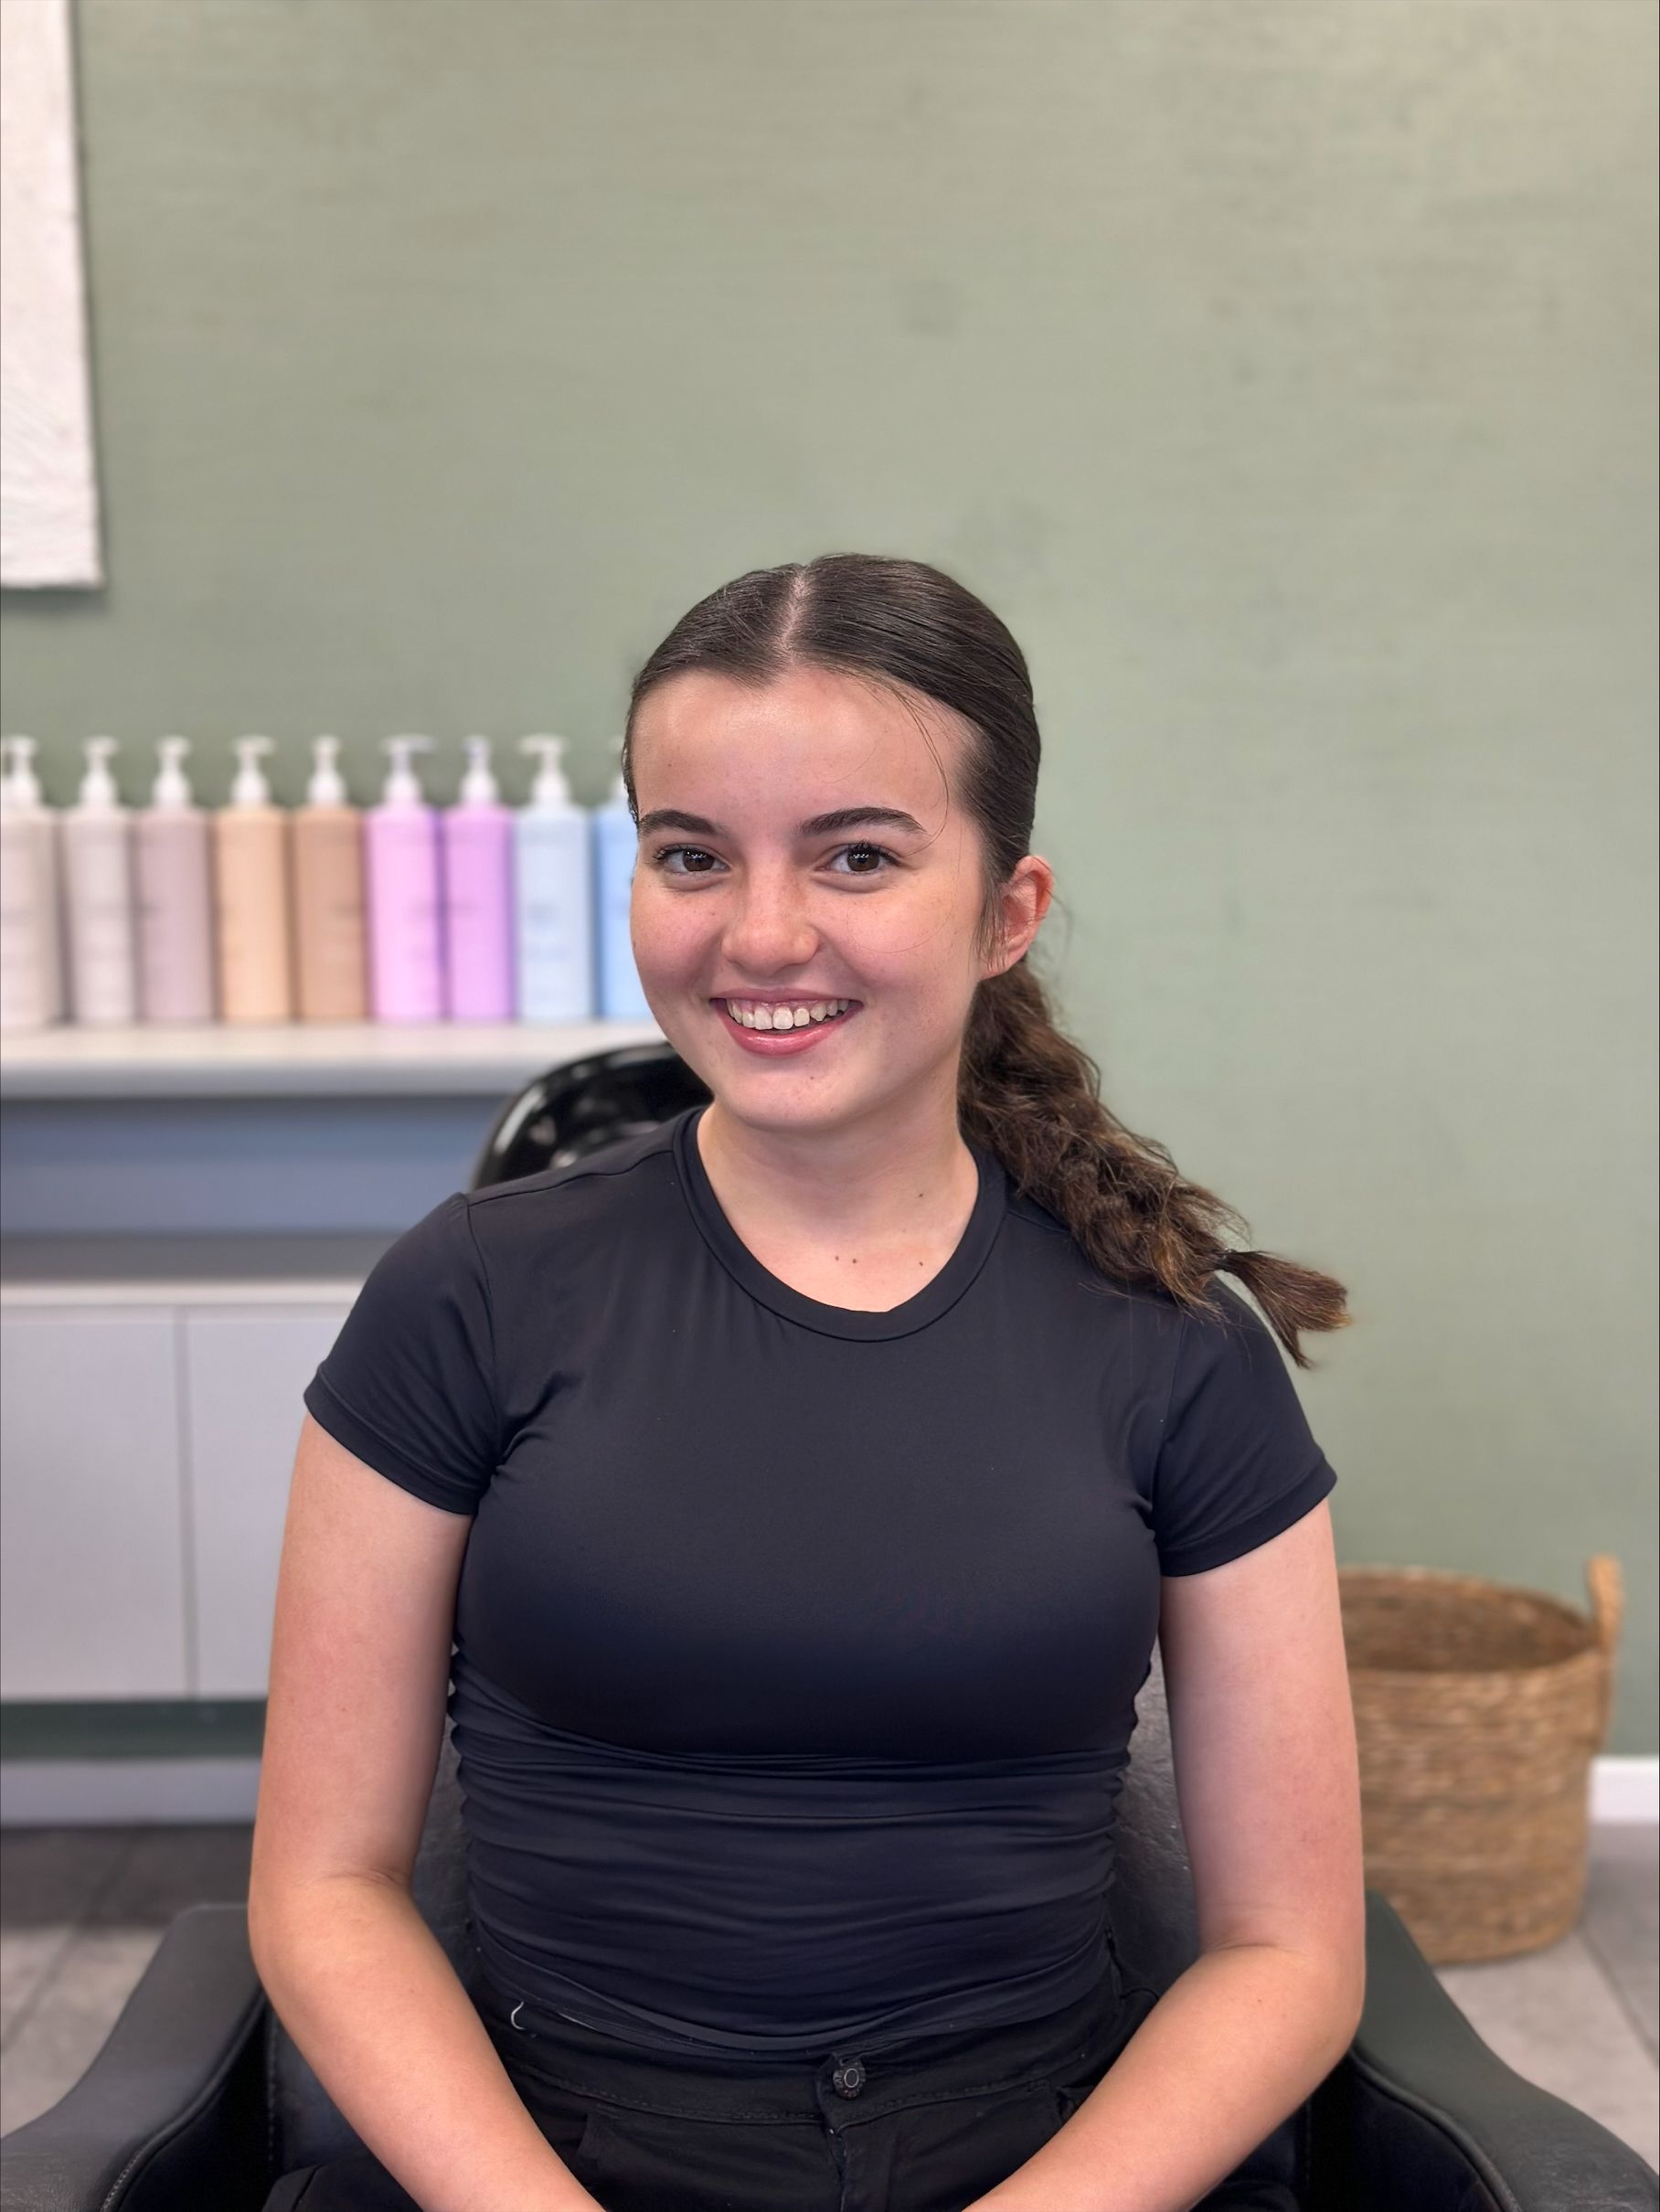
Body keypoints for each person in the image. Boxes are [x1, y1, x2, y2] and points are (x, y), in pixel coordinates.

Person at [250, 554, 1365, 2212]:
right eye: (691, 856)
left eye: (856, 855)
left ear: (1007, 912)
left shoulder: (1175, 1347)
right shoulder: (469, 1292)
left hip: (1044, 2170)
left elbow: (1287, 1949)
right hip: (542, 2167)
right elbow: (324, 1885)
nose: (761, 935)